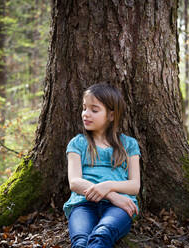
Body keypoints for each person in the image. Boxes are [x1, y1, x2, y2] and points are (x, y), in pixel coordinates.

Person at [63, 83, 141, 248]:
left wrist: (107, 186)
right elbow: (75, 182)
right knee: (80, 242)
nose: (86, 114)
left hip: (119, 207)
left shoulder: (129, 144)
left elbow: (135, 186)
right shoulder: (77, 144)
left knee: (102, 235)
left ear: (111, 115)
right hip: (82, 204)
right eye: (84, 108)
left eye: (94, 110)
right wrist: (110, 194)